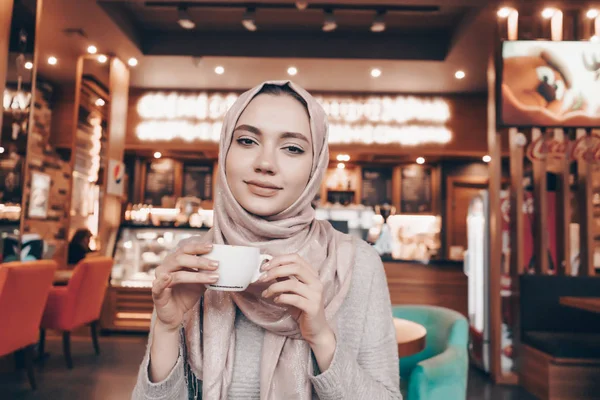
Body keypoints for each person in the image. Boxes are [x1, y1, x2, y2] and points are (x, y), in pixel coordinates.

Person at [132, 81, 401, 399]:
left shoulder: (357, 263)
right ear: (225, 151)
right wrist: (166, 329)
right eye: (246, 140)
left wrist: (321, 338)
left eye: (293, 148)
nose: (265, 163)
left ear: (315, 166)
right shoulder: (191, 260)